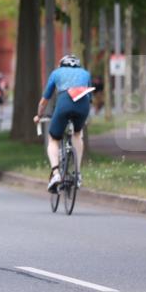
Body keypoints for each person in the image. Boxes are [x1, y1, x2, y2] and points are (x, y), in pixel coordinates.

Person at [34, 54, 93, 191]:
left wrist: (39, 115)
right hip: (83, 104)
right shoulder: (85, 73)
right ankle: (77, 174)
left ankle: (56, 174)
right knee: (77, 134)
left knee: (53, 139)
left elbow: (44, 101)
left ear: (62, 64)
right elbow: (89, 98)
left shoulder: (56, 73)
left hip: (64, 103)